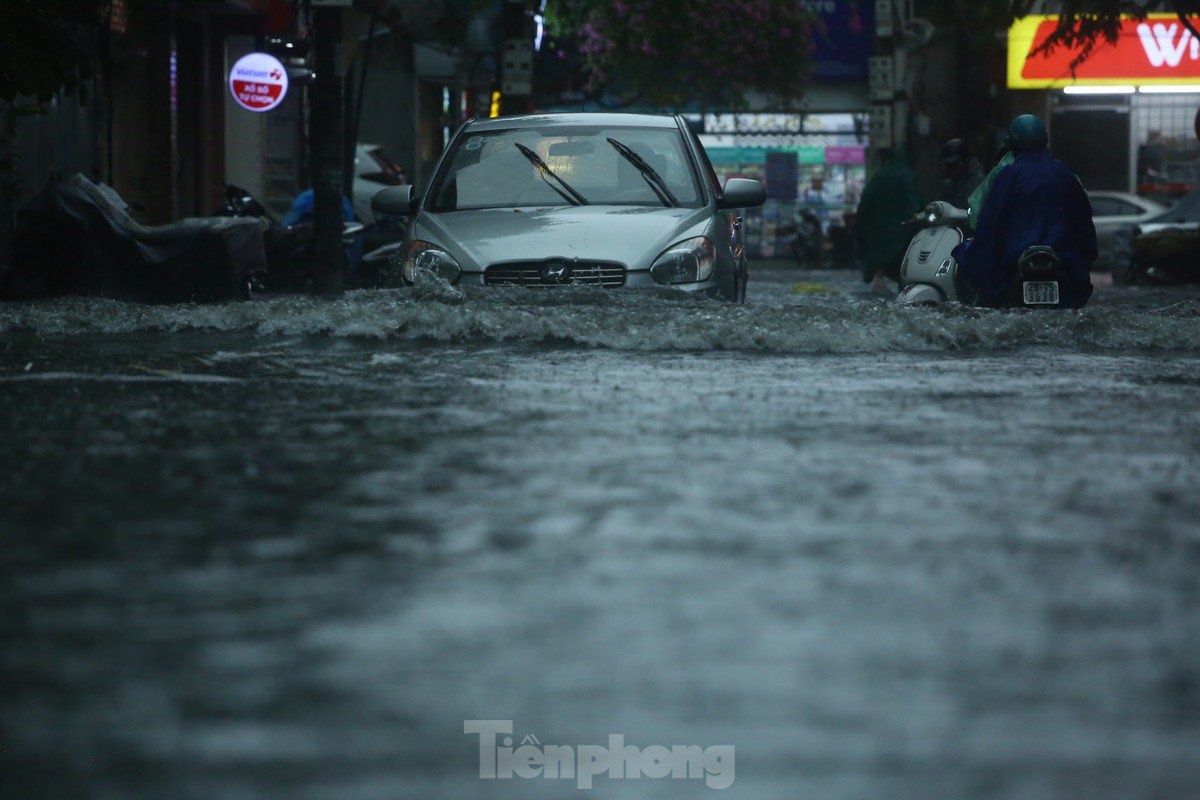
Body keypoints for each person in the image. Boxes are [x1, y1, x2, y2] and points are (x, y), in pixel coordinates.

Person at [954, 114, 1096, 308]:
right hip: (1063, 261)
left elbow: (989, 223)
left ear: (1013, 142)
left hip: (1013, 263)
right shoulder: (1064, 173)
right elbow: (1083, 222)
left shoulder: (1007, 174)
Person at [855, 145, 923, 291]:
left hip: (878, 243)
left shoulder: (878, 178)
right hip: (904, 241)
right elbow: (919, 207)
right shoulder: (910, 177)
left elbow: (863, 210)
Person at [937, 138, 985, 212]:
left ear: (966, 162)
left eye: (955, 165)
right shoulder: (947, 186)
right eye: (948, 166)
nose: (951, 170)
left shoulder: (980, 181)